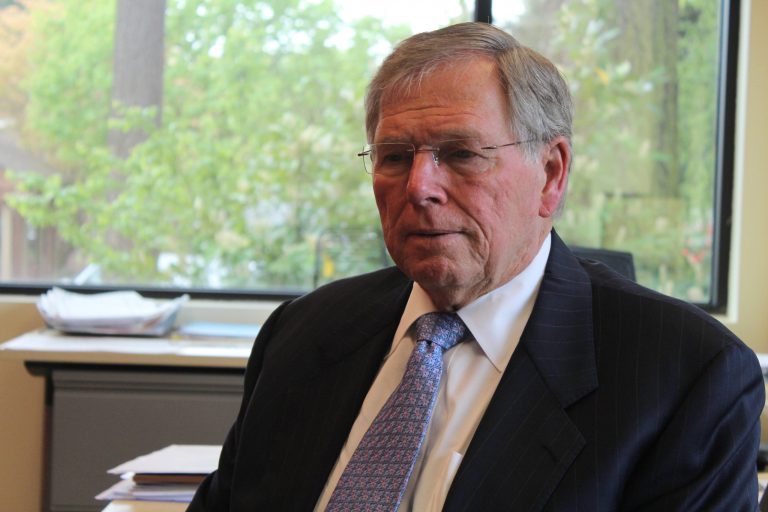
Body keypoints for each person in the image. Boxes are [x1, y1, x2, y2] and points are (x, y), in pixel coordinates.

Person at [187, 22, 764, 511]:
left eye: (461, 154)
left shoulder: (687, 377)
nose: (419, 187)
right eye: (394, 157)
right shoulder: (303, 332)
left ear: (551, 174)